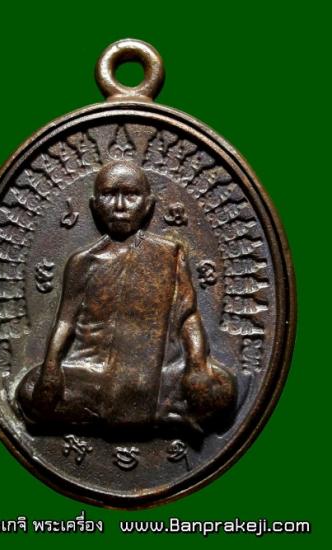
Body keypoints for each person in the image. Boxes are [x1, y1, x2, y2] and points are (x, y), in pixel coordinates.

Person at [17, 160, 236, 432]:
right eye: (109, 195)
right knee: (29, 390)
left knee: (222, 388)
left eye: (131, 195)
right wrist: (51, 367)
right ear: (95, 205)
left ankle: (117, 416)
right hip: (96, 372)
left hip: (160, 372)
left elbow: (188, 316)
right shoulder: (83, 262)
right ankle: (165, 416)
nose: (120, 206)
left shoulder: (169, 254)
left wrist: (197, 365)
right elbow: (64, 322)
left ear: (148, 205)